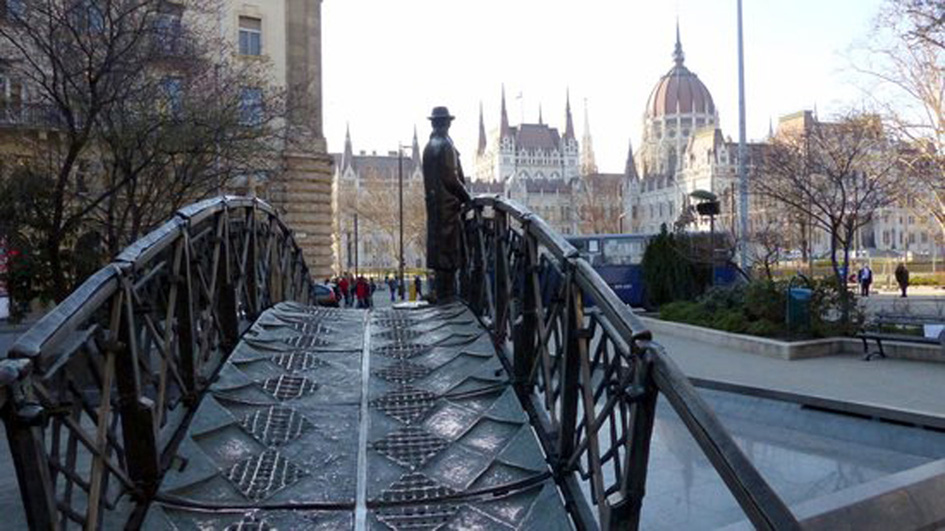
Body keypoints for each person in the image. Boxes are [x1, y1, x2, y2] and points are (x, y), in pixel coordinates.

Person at [422, 106, 471, 304]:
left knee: (440, 252)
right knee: (449, 253)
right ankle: (448, 298)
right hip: (448, 208)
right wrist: (467, 198)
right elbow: (451, 178)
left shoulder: (429, 147)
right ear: (447, 123)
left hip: (435, 208)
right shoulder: (445, 145)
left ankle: (442, 294)